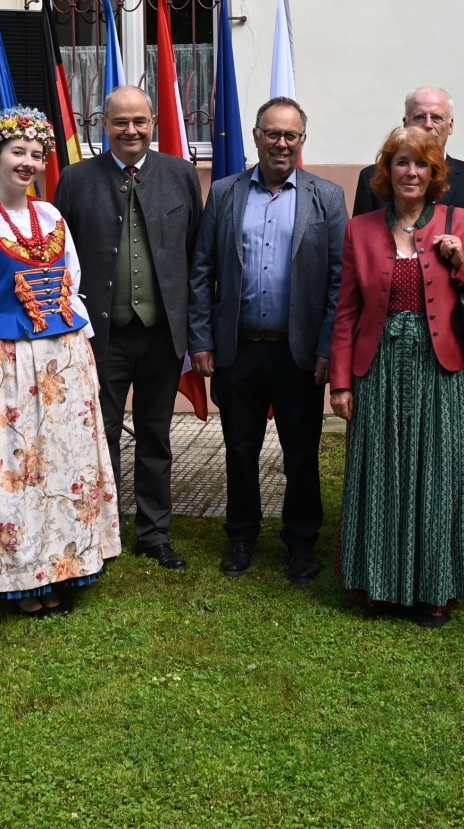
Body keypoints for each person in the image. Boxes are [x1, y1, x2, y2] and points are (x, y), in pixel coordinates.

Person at [330, 126, 464, 627]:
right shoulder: (360, 229)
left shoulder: (459, 220)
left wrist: (462, 260)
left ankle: (434, 589)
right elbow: (346, 312)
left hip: (439, 367)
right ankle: (379, 584)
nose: (412, 172)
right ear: (387, 171)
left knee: (437, 473)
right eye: (402, 162)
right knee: (379, 469)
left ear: (435, 174)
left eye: (422, 164)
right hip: (378, 365)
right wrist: (340, 381)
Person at [0, 106, 121, 616]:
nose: (27, 162)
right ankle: (23, 576)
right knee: (19, 471)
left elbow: (70, 289)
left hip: (65, 360)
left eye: (35, 154)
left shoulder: (52, 218)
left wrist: (84, 359)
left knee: (64, 466)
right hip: (12, 364)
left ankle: (65, 564)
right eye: (16, 152)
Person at [189, 97, 348, 585]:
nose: (282, 143)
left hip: (299, 353)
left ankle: (301, 543)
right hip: (238, 349)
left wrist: (326, 348)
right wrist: (202, 339)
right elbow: (202, 271)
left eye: (291, 135)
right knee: (240, 447)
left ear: (303, 140)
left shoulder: (327, 197)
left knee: (301, 451)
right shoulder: (225, 193)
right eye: (272, 134)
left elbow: (340, 280)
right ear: (256, 136)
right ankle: (241, 536)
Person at [53, 85, 202, 571]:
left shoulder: (181, 175)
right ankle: (102, 529)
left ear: (153, 122)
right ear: (104, 124)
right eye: (120, 122)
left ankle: (155, 534)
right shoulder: (75, 180)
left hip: (161, 334)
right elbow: (60, 263)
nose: (131, 130)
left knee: (157, 435)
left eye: (139, 121)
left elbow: (196, 256)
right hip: (103, 336)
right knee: (102, 434)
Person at [352, 86, 464, 215]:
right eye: (420, 117)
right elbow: (361, 232)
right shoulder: (372, 177)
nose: (428, 124)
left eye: (436, 118)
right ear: (405, 123)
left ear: (450, 126)